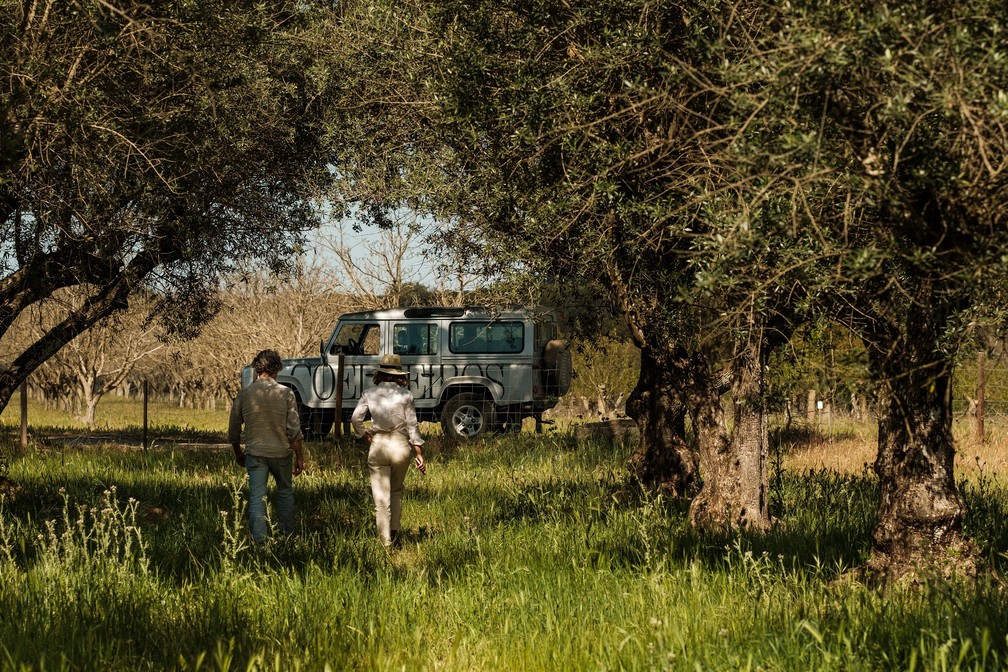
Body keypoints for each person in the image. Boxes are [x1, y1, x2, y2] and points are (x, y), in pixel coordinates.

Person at [228, 349, 305, 543]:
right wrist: (299, 457)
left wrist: (238, 453)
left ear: (257, 368)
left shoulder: (245, 394)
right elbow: (294, 430)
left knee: (256, 497)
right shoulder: (286, 393)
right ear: (277, 369)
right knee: (285, 493)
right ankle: (287, 536)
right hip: (281, 453)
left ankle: (260, 542)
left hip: (255, 453)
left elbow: (234, 429)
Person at [351, 353, 426, 549]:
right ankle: (395, 535)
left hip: (379, 445)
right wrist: (418, 453)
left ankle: (385, 543)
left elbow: (355, 418)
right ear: (399, 374)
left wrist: (365, 435)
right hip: (401, 446)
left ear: (380, 373)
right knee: (396, 491)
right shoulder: (406, 395)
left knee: (381, 498)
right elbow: (412, 426)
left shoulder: (369, 393)